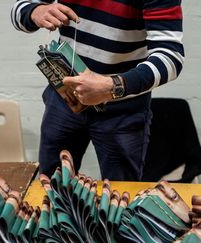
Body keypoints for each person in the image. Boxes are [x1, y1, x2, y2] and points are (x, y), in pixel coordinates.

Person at [11, 0, 184, 180]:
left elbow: (171, 58)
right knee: (50, 188)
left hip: (123, 110)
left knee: (119, 197)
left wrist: (112, 86)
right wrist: (36, 11)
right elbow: (18, 10)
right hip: (65, 99)